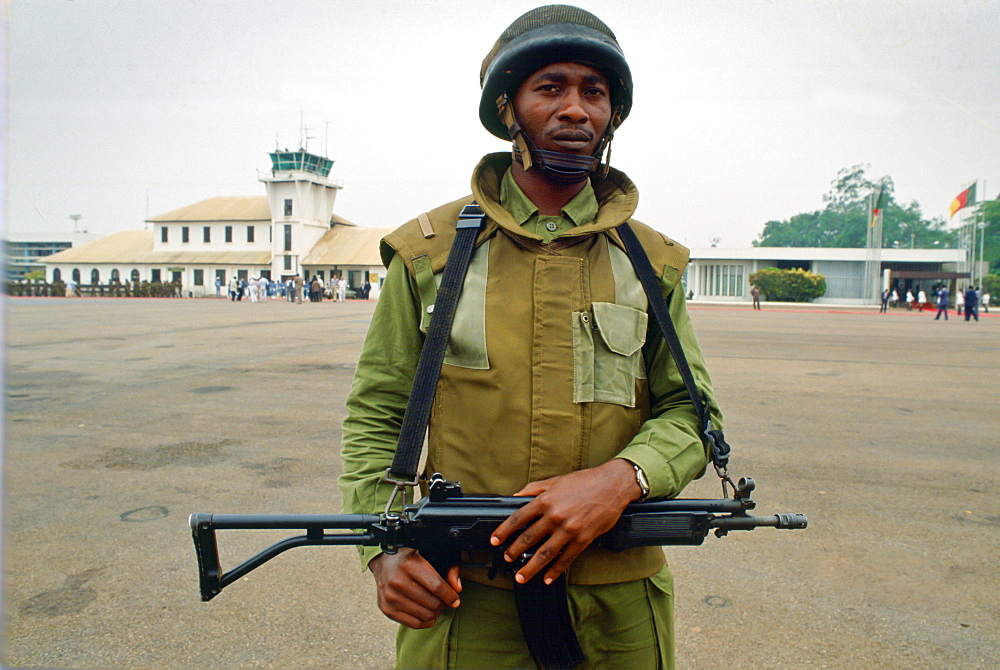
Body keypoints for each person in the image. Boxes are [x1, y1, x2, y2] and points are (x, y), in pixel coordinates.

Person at [339, 6, 721, 668]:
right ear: (509, 108)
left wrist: (621, 478)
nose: (575, 109)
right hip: (466, 601)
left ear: (612, 116)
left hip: (616, 602)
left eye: (593, 92)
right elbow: (378, 413)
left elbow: (691, 413)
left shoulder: (651, 263)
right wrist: (384, 550)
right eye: (550, 87)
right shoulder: (428, 256)